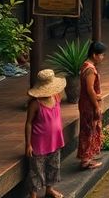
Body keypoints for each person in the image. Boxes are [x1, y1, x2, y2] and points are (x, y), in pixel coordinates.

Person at [25, 69, 66, 198]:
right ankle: (33, 194)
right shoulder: (35, 104)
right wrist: (28, 144)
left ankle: (49, 189)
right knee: (36, 170)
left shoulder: (56, 97)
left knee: (53, 166)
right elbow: (29, 123)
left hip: (55, 140)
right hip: (39, 142)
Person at [78, 41, 106, 169]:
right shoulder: (89, 69)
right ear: (94, 55)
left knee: (91, 129)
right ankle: (86, 160)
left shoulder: (86, 66)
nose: (102, 57)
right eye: (101, 55)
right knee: (88, 130)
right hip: (89, 104)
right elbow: (90, 89)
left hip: (87, 102)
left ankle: (89, 156)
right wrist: (96, 105)